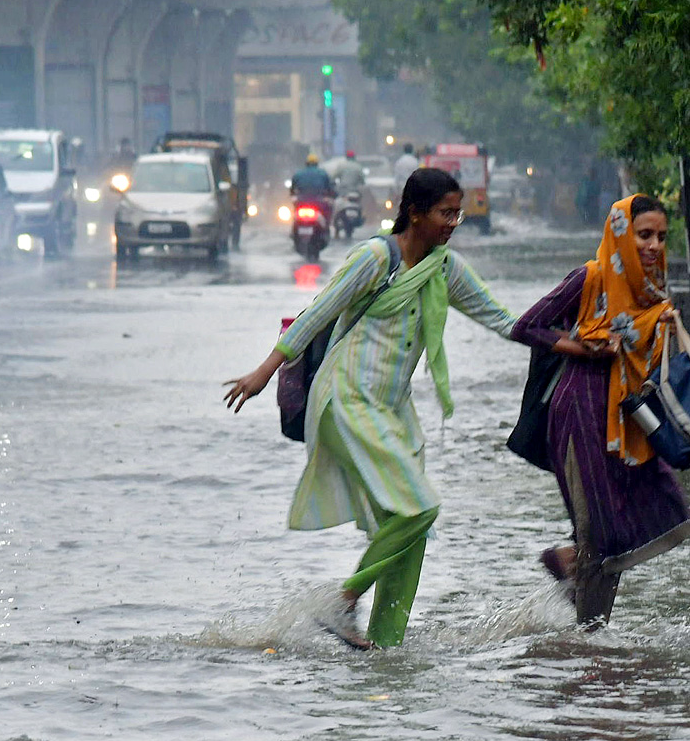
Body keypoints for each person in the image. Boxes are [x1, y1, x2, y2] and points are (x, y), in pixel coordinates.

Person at [222, 168, 519, 649]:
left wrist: (569, 340)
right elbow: (316, 312)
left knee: (410, 529)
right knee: (421, 507)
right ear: (416, 213)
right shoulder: (375, 258)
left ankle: (384, 647)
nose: (454, 222)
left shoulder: (444, 267)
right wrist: (262, 373)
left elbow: (503, 319)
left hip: (391, 411)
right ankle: (344, 601)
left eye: (457, 213)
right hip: (345, 398)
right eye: (445, 212)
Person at [510, 194, 690, 627]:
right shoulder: (590, 278)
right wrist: (584, 347)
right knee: (599, 529)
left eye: (660, 237)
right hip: (581, 411)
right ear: (620, 233)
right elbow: (527, 326)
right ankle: (590, 642)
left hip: (629, 419)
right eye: (644, 235)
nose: (653, 246)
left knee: (655, 509)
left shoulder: (651, 289)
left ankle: (573, 577)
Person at [291, 152, 335, 222]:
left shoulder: (298, 173)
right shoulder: (323, 173)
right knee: (328, 210)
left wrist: (293, 194)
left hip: (302, 201)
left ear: (306, 163)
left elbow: (293, 188)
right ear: (317, 163)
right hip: (318, 202)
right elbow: (329, 188)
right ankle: (327, 226)